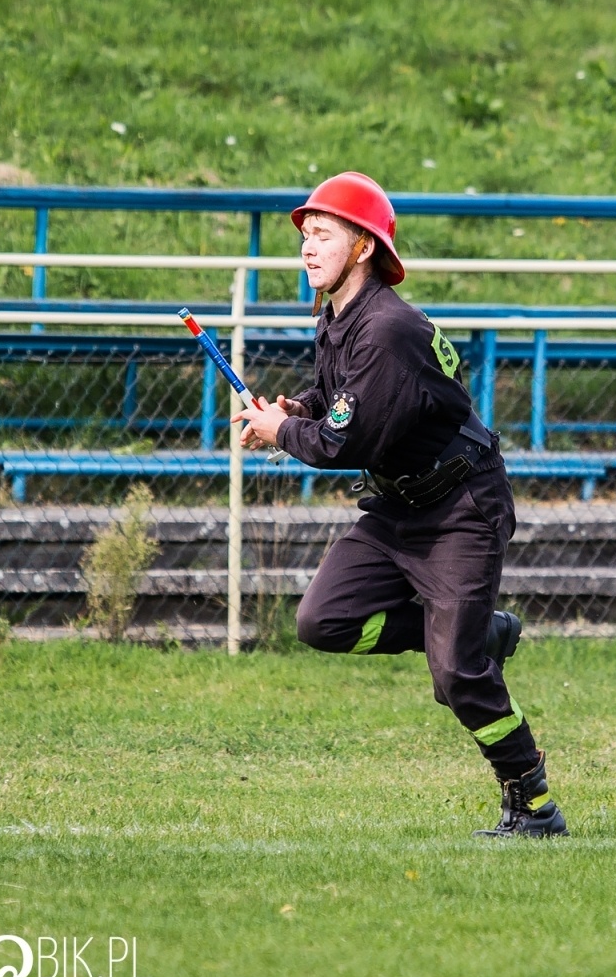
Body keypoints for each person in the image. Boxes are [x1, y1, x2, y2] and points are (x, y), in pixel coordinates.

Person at [233, 171, 567, 838]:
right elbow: (340, 401)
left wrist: (282, 432)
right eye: (305, 235)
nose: (306, 247)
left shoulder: (385, 328)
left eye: (323, 234)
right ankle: (478, 632)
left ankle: (534, 807)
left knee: (459, 677)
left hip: (460, 509)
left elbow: (343, 441)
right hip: (397, 508)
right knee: (323, 621)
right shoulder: (338, 317)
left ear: (363, 248)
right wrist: (295, 408)